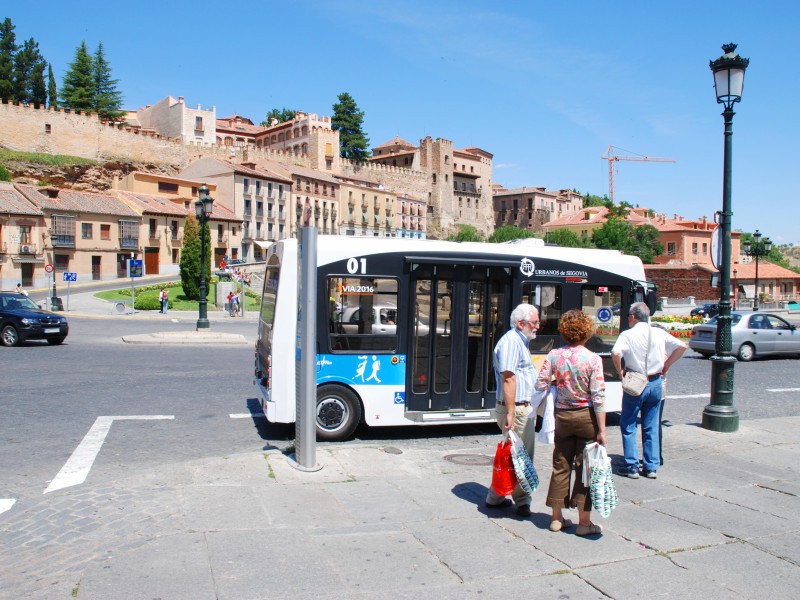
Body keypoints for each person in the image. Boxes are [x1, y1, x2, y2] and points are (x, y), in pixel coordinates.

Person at [536, 310, 607, 536]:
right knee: (586, 468)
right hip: (585, 417)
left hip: (562, 417)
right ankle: (584, 523)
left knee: (561, 464)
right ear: (587, 332)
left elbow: (541, 384)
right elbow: (598, 396)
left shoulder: (554, 355)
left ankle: (556, 518)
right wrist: (602, 430)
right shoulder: (594, 359)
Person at [612, 302, 687, 479]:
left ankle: (631, 466)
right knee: (651, 425)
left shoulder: (628, 334)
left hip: (635, 382)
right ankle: (651, 466)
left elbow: (616, 353)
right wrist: (666, 365)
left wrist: (620, 372)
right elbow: (682, 346)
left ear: (632, 316)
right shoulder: (659, 333)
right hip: (655, 382)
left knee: (629, 423)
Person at [485, 303, 540, 517]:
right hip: (516, 409)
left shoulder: (519, 341)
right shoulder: (511, 342)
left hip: (518, 408)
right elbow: (508, 378)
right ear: (521, 323)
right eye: (534, 322)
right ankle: (522, 501)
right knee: (522, 456)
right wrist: (510, 413)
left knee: (512, 455)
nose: (537, 326)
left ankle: (496, 496)